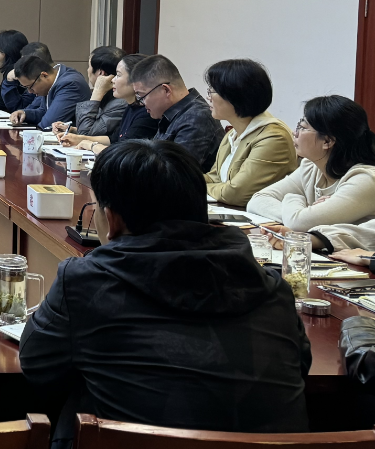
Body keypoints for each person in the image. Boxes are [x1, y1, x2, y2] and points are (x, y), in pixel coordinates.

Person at [19, 139, 310, 449]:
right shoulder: (272, 288)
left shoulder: (86, 281)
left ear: (112, 220)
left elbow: (37, 363)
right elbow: (300, 366)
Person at [248, 96, 375, 256]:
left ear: (327, 141)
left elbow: (298, 223)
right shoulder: (311, 167)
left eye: (302, 127)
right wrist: (304, 213)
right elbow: (257, 200)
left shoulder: (365, 179)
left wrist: (297, 203)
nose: (295, 133)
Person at [202, 59, 296, 207]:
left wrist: (197, 188)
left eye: (212, 91)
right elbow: (214, 178)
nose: (208, 97)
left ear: (234, 95)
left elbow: (235, 194)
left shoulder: (274, 137)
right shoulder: (232, 134)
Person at [130, 55, 224, 171]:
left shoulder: (196, 118)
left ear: (166, 90)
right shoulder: (173, 114)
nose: (141, 103)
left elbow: (173, 174)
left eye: (142, 96)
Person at [53, 54, 158, 154]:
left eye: (118, 75)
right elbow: (113, 139)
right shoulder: (131, 107)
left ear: (135, 81)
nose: (113, 80)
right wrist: (78, 138)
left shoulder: (147, 113)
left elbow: (124, 152)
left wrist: (92, 145)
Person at [51, 46, 126, 140]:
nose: (87, 70)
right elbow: (94, 129)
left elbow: (86, 134)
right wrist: (72, 130)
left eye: (89, 66)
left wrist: (96, 93)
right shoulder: (108, 95)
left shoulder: (119, 103)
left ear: (101, 73)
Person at [9, 54, 91, 131]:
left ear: (44, 75)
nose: (30, 91)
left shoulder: (70, 84)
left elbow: (48, 125)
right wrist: (24, 114)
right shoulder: (54, 81)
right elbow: (44, 111)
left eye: (30, 86)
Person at [0, 29, 31, 112]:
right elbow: (5, 95)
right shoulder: (23, 66)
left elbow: (1, 104)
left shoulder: (12, 71)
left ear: (3, 51)